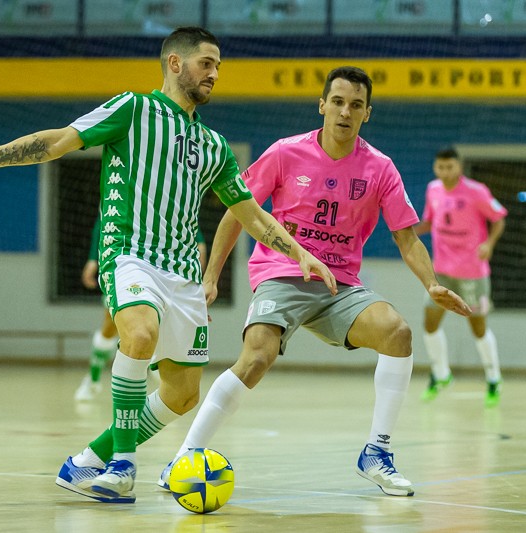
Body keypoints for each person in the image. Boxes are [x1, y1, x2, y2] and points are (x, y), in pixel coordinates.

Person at [0, 26, 336, 504]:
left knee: (181, 395)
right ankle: (122, 465)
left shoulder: (215, 147)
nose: (215, 74)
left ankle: (86, 461)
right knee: (139, 334)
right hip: (128, 253)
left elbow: (249, 213)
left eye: (219, 66)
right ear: (175, 63)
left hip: (182, 272)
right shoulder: (133, 109)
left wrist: (300, 252)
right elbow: (57, 141)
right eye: (207, 63)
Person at [159, 66, 472, 498]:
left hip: (338, 286)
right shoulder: (287, 152)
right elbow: (236, 211)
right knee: (256, 359)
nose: (346, 111)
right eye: (338, 102)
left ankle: (377, 453)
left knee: (398, 333)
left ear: (367, 114)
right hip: (281, 272)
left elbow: (404, 236)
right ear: (322, 105)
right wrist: (210, 277)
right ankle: (185, 457)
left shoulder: (380, 168)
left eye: (356, 105)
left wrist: (431, 284)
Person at [414, 147, 507, 407]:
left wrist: (489, 243)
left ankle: (493, 378)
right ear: (435, 168)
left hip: (472, 274)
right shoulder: (433, 189)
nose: (445, 172)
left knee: (477, 327)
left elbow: (499, 219)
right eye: (440, 167)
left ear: (459, 167)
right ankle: (441, 375)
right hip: (441, 271)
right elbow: (430, 221)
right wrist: (408, 231)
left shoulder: (476, 191)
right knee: (429, 323)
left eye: (450, 167)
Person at [74, 220, 208, 401]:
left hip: (165, 275)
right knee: (110, 328)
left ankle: (161, 394)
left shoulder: (174, 203)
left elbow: (198, 241)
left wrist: (195, 282)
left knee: (152, 335)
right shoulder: (126, 198)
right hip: (129, 269)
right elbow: (103, 223)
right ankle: (94, 378)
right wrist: (93, 259)